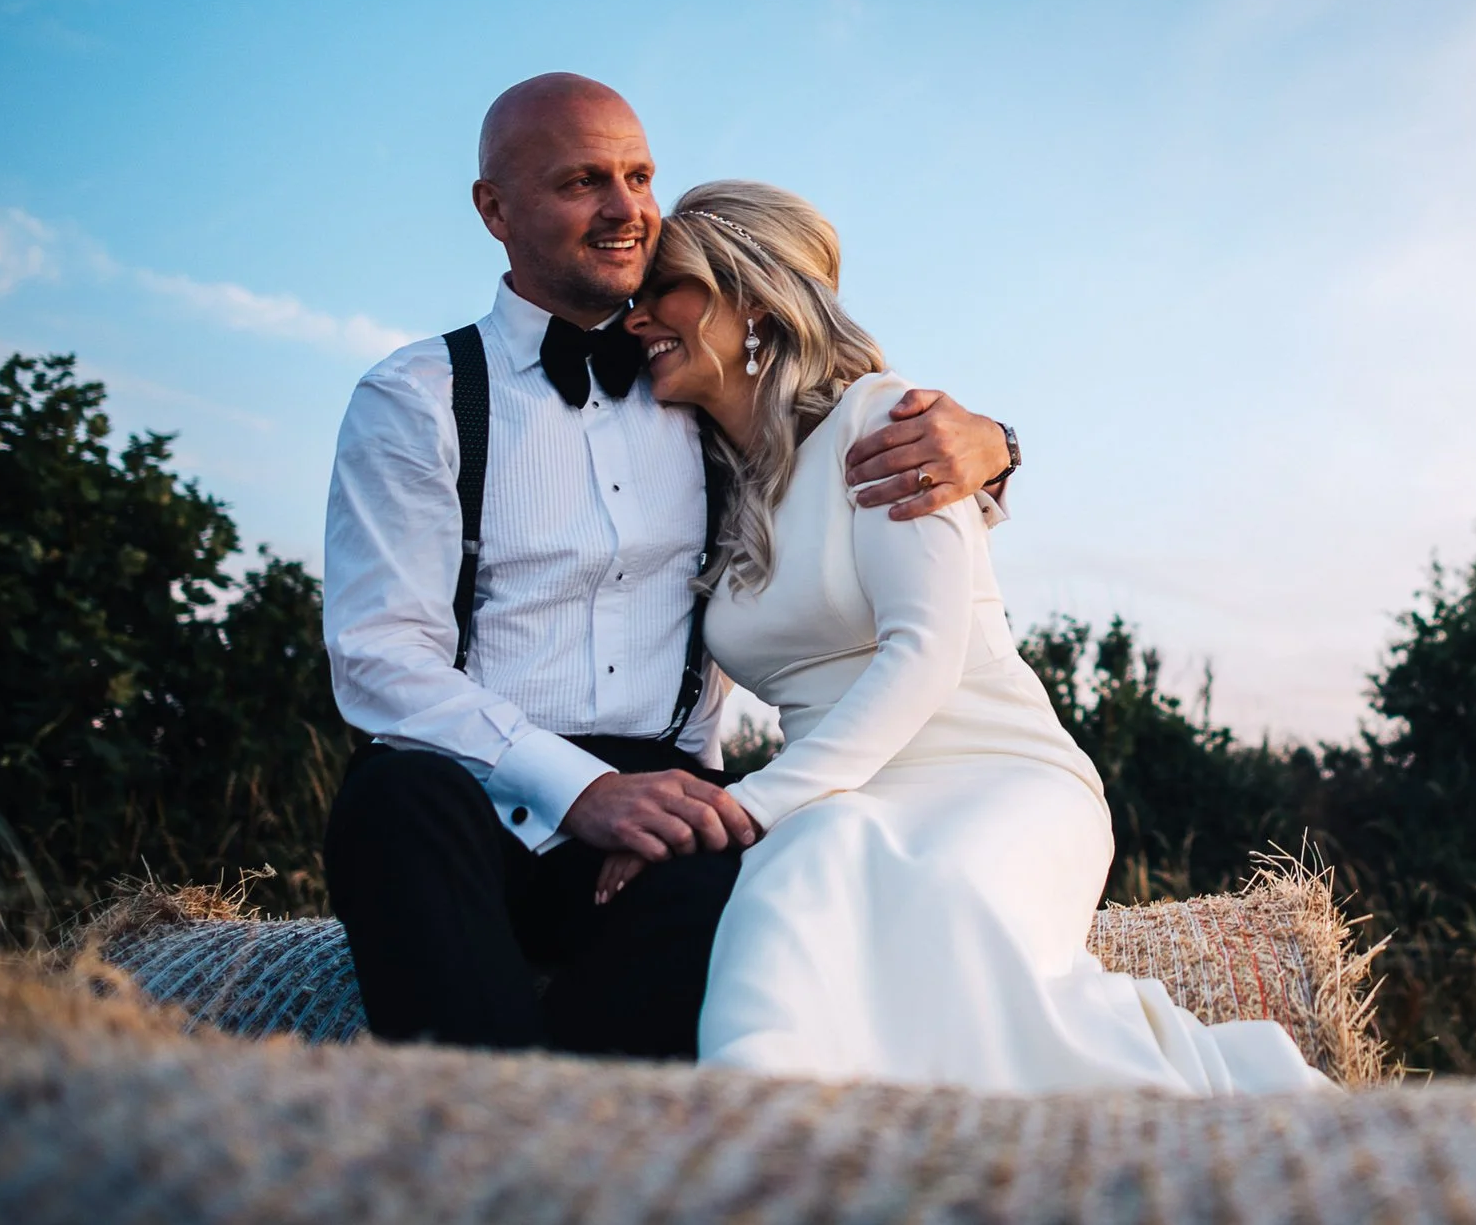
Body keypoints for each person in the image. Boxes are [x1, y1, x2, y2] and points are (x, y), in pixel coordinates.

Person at [321, 73, 1016, 1057]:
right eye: (580, 183)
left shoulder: (710, 391)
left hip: (673, 799)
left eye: (639, 175)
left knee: (738, 871)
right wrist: (577, 788)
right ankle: (478, 1136)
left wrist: (996, 440)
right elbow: (378, 654)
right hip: (479, 793)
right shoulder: (418, 397)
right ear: (494, 208)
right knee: (390, 803)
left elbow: (851, 444)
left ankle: (583, 1148)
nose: (625, 209)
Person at [616, 179, 1326, 1094]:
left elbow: (923, 653)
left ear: (752, 296)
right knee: (804, 895)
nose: (637, 318)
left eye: (663, 287)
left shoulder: (887, 421)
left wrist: (749, 809)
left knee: (932, 904)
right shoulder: (710, 486)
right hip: (838, 796)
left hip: (995, 773)